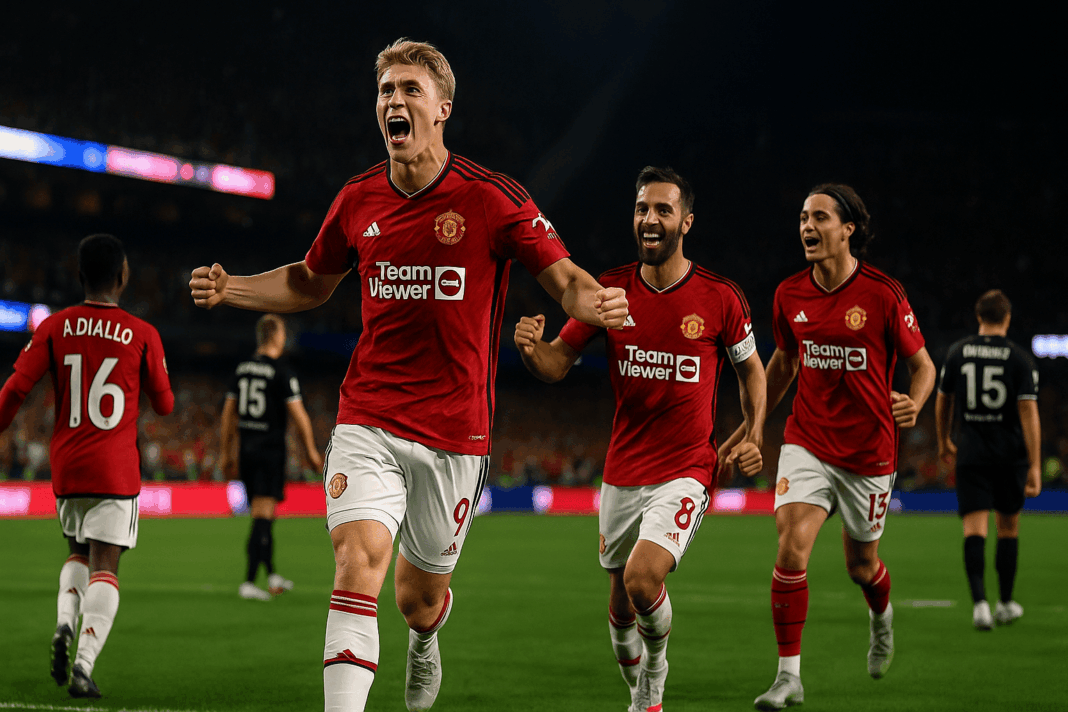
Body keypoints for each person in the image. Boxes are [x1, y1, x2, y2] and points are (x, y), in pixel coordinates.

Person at [188, 38, 628, 712]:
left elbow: (566, 282)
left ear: (443, 108)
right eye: (385, 91)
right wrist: (234, 289)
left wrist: (598, 302)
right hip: (368, 416)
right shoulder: (358, 199)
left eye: (409, 90)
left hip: (455, 432)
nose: (394, 101)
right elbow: (311, 282)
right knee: (356, 563)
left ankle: (427, 639)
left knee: (416, 600)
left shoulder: (491, 199)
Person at [514, 166, 767, 712]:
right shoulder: (611, 292)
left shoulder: (721, 299)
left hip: (687, 469)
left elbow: (752, 371)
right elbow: (559, 362)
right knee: (620, 602)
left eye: (663, 210)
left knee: (642, 577)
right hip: (623, 472)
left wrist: (754, 431)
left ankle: (656, 674)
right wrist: (534, 352)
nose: (649, 220)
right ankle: (641, 698)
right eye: (641, 209)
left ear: (686, 222)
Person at [718, 184, 936, 710]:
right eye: (802, 218)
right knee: (791, 544)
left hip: (868, 455)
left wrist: (916, 402)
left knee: (862, 566)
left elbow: (923, 365)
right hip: (807, 441)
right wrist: (753, 425)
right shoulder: (789, 294)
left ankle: (881, 616)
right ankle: (788, 676)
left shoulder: (883, 294)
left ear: (848, 229)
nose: (807, 228)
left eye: (819, 217)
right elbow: (785, 363)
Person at [0, 234, 174, 698]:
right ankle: (83, 665)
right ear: (123, 276)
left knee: (76, 552)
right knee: (106, 566)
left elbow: (16, 388)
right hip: (115, 468)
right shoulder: (143, 333)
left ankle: (63, 623)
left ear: (80, 276)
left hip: (68, 465)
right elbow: (166, 405)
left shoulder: (54, 326)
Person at [934, 289, 1041, 630]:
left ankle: (980, 604)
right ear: (1007, 318)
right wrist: (1035, 464)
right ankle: (1006, 603)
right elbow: (1029, 414)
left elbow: (943, 400)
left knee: (973, 530)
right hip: (1010, 456)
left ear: (978, 317)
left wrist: (944, 440)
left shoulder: (958, 352)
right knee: (1008, 529)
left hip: (971, 453)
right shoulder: (1020, 359)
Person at [219, 313, 324, 601]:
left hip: (247, 450)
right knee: (263, 517)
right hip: (270, 451)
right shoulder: (282, 371)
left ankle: (273, 574)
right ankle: (249, 582)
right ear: (277, 336)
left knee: (264, 515)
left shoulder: (241, 369)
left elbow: (228, 414)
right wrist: (312, 453)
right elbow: (300, 417)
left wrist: (226, 453)